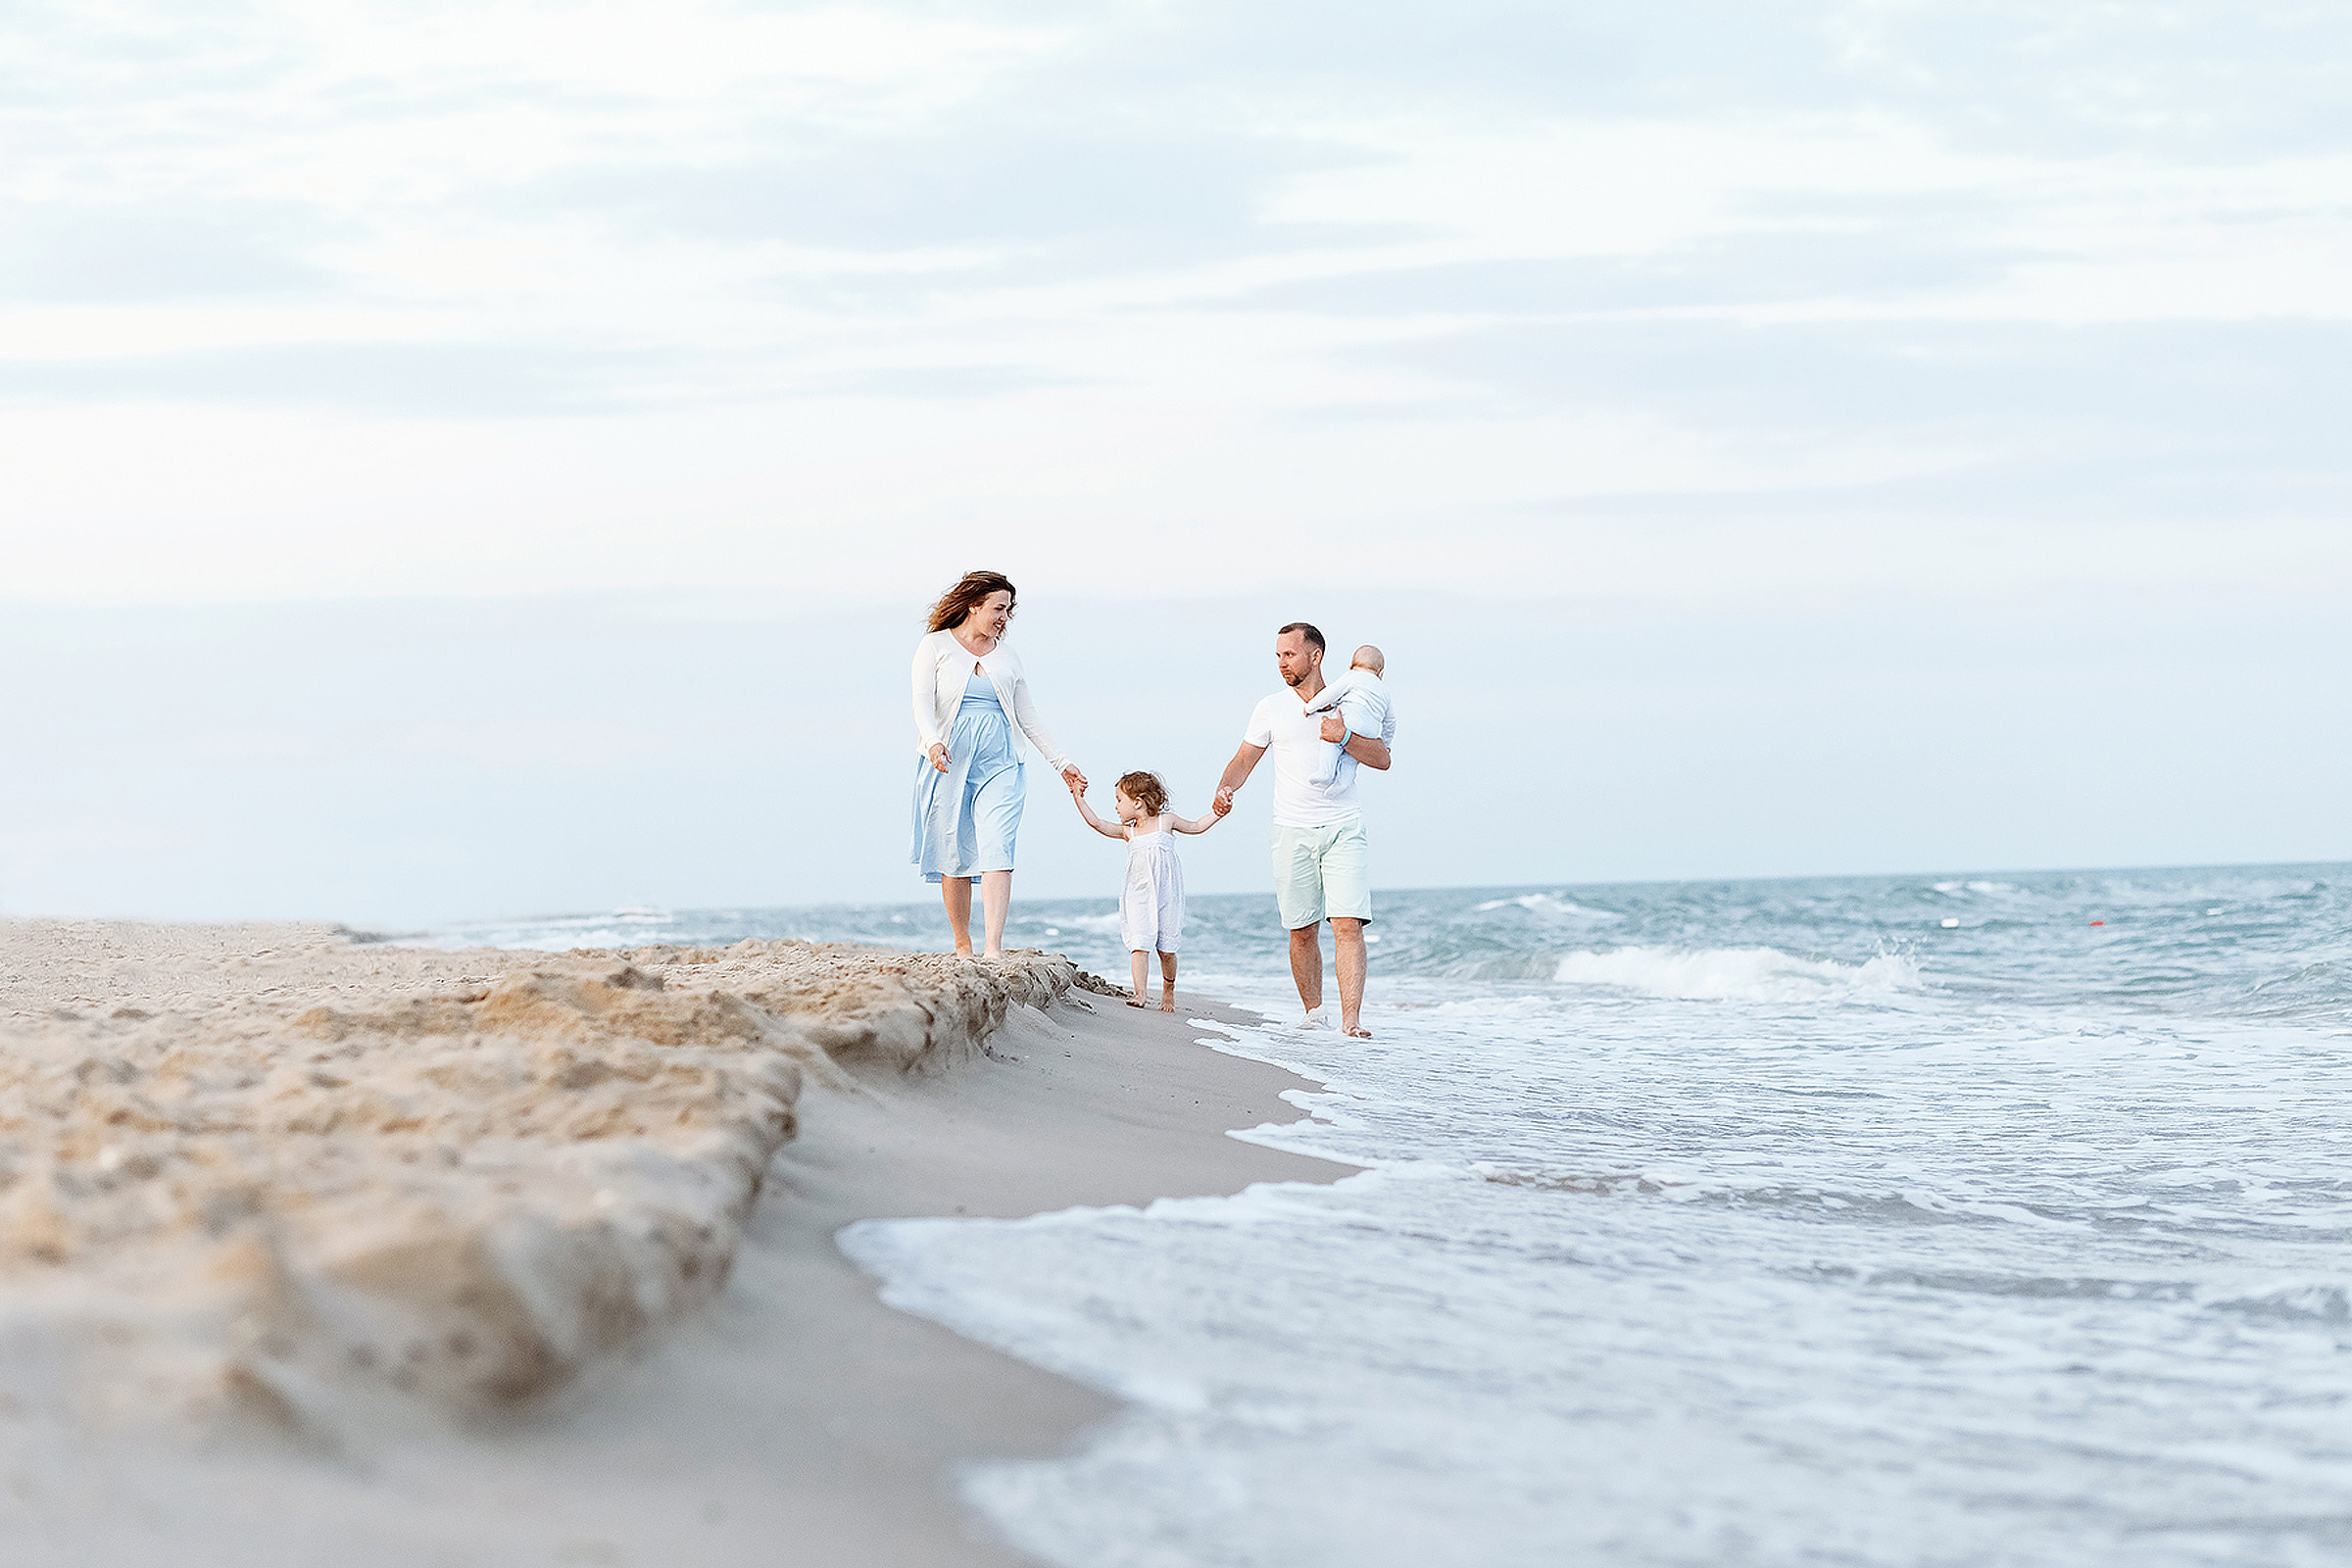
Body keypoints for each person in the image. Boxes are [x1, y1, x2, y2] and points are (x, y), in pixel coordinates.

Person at [1214, 622, 1394, 1037]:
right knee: (1301, 929)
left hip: (1344, 825)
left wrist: (1345, 734)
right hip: (1290, 829)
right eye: (1278, 656)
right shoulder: (1270, 707)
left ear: (1315, 656)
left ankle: (1352, 1022)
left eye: (1289, 655)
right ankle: (1314, 1013)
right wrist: (1226, 787)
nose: (1282, 663)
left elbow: (1383, 758)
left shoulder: (1354, 698)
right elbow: (1243, 759)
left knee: (1347, 924)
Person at [910, 570, 1086, 959]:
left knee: (996, 845)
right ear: (974, 606)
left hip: (1001, 762)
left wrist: (1063, 763)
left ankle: (993, 946)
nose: (1004, 617)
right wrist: (934, 742)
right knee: (953, 853)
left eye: (1008, 610)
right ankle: (962, 942)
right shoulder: (935, 645)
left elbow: (1028, 715)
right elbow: (922, 702)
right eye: (998, 608)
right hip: (948, 761)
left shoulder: (1007, 656)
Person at [1068, 770, 1228, 1011]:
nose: (1116, 807)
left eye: (1119, 800)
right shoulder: (1128, 832)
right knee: (1139, 945)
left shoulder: (1167, 822)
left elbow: (1196, 826)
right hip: (1139, 895)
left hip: (1168, 895)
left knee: (1166, 950)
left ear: (1138, 802)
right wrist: (1079, 798)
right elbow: (1097, 823)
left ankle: (1168, 990)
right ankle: (1140, 993)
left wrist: (1217, 813)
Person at [1301, 644, 1392, 786]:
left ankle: (1326, 772)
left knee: (1331, 740)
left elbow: (1331, 693)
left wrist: (1311, 706)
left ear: (1351, 666)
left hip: (1350, 721)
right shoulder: (1384, 691)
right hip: (1370, 732)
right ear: (1381, 673)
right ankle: (1343, 783)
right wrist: (1386, 744)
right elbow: (1390, 722)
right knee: (1351, 759)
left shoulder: (1352, 676)